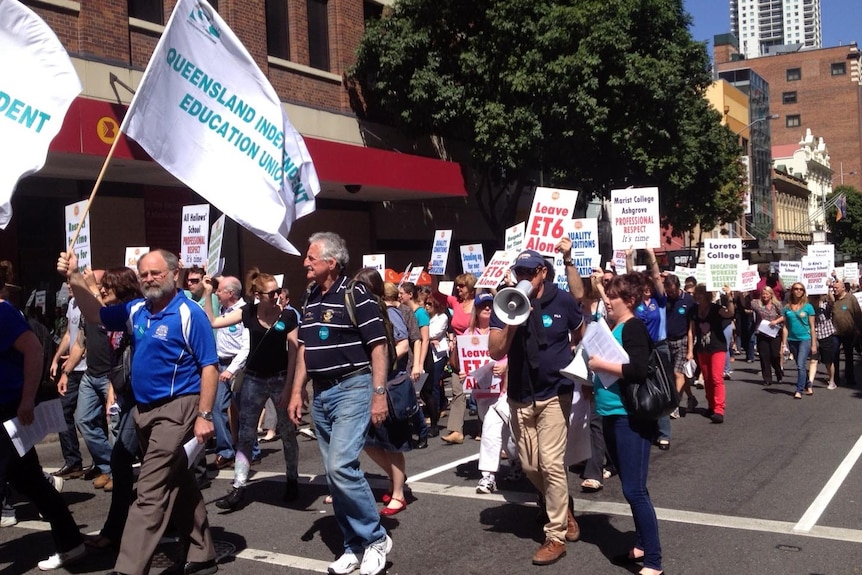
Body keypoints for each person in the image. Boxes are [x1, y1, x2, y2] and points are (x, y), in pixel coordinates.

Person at [58, 249, 219, 575]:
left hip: (178, 410)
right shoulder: (136, 310)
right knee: (179, 481)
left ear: (175, 275)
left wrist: (204, 415)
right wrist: (74, 277)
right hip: (143, 411)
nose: (148, 279)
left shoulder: (190, 314)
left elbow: (210, 366)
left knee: (150, 491)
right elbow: (96, 316)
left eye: (155, 273)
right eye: (143, 274)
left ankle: (129, 568)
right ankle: (203, 555)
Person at [287, 232, 392, 575]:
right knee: (335, 477)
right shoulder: (310, 296)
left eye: (311, 257)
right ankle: (352, 545)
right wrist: (296, 390)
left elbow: (378, 346)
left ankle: (375, 538)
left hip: (353, 387)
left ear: (331, 263)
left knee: (340, 466)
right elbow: (305, 347)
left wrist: (379, 394)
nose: (305, 262)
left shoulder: (356, 293)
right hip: (322, 393)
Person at [489, 250, 584, 566]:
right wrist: (512, 322)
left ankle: (555, 535)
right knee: (530, 466)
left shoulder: (563, 300)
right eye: (520, 271)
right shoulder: (507, 301)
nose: (524, 277)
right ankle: (564, 507)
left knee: (551, 463)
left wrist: (579, 368)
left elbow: (580, 334)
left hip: (555, 392)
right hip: (520, 394)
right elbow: (495, 350)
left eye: (530, 271)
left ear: (543, 271)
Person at [0, 268, 86, 571]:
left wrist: (26, 398)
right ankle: (72, 543)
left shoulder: (4, 314)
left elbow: (34, 352)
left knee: (23, 481)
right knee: (32, 482)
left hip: (8, 411)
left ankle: (71, 543)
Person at [587, 272, 664, 575]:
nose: (607, 302)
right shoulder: (616, 325)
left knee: (635, 490)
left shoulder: (632, 327)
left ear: (629, 300)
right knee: (630, 487)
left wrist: (599, 364)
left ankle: (654, 561)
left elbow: (638, 370)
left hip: (629, 417)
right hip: (610, 415)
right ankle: (642, 545)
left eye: (612, 297)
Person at [209, 270, 299, 510]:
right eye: (272, 293)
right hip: (254, 380)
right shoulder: (247, 312)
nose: (277, 296)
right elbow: (214, 322)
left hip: (280, 378)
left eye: (278, 291)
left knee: (288, 433)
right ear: (258, 295)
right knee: (246, 434)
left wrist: (290, 388)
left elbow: (294, 355)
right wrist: (210, 295)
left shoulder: (288, 316)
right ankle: (239, 486)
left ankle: (292, 479)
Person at [76, 267, 144, 550]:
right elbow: (119, 357)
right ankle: (121, 527)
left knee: (126, 460)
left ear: (123, 287)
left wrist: (79, 281)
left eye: (108, 285)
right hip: (125, 395)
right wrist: (113, 391)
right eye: (102, 286)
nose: (103, 289)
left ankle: (118, 531)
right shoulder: (118, 312)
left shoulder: (134, 312)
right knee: (126, 461)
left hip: (144, 398)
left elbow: (97, 312)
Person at [355, 268, 413, 516]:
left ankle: (398, 494)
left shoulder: (388, 312)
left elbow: (403, 343)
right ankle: (395, 478)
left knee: (391, 442)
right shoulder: (358, 312)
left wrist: (382, 362)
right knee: (367, 441)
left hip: (389, 384)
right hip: (367, 384)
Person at [58, 268, 114, 491]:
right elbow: (80, 343)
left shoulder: (110, 308)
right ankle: (108, 466)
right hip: (91, 375)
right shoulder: (85, 311)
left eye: (94, 282)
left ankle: (117, 471)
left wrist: (90, 287)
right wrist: (66, 372)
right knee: (83, 420)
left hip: (110, 376)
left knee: (117, 427)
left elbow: (107, 323)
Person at [460, 291, 519, 494]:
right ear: (475, 310)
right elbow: (461, 361)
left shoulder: (503, 331)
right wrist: (463, 372)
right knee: (506, 435)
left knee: (490, 432)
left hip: (503, 391)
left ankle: (488, 477)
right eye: (483, 305)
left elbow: (517, 356)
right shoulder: (468, 336)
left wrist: (506, 367)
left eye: (490, 305)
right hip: (482, 394)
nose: (487, 308)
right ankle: (516, 461)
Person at [202, 276, 248, 470]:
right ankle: (226, 452)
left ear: (230, 293)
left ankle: (249, 451)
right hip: (220, 365)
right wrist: (207, 292)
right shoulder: (224, 310)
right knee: (217, 408)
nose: (216, 293)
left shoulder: (245, 311)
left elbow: (247, 346)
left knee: (244, 410)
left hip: (238, 366)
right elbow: (210, 320)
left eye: (219, 290)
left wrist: (231, 369)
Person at [430, 272, 477, 444]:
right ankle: (456, 430)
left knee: (481, 391)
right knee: (458, 390)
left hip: (478, 349)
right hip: (459, 353)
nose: (458, 289)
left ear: (471, 287)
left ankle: (484, 427)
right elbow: (435, 293)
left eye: (462, 286)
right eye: (457, 285)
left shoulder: (480, 303)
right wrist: (433, 274)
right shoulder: (455, 302)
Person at [49, 291, 88, 479]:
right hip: (72, 369)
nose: (68, 286)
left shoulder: (90, 302)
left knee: (90, 418)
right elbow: (68, 335)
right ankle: (73, 462)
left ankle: (105, 463)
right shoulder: (72, 303)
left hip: (89, 369)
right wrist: (56, 359)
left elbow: (90, 335)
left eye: (72, 282)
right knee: (62, 412)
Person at [688, 284, 735, 423]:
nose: (698, 296)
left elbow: (730, 313)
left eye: (701, 293)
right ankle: (711, 406)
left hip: (717, 348)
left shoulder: (715, 309)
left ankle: (719, 409)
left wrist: (729, 297)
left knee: (716, 378)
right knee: (707, 379)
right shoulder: (693, 310)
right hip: (702, 349)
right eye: (697, 293)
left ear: (708, 295)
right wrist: (690, 351)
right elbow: (691, 331)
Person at [663, 273, 698, 416]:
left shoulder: (689, 301)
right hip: (668, 340)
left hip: (683, 339)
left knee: (678, 373)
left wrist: (690, 350)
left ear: (678, 287)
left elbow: (691, 328)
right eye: (668, 291)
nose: (671, 294)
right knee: (675, 375)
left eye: (673, 291)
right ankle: (690, 397)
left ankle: (674, 405)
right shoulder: (664, 300)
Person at [782, 283, 817, 399]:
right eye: (796, 289)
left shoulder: (808, 307)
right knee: (799, 364)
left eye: (801, 289)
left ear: (804, 292)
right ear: (792, 291)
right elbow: (785, 327)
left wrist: (813, 344)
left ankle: (799, 390)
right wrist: (783, 343)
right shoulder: (787, 308)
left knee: (800, 365)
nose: (798, 291)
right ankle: (808, 384)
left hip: (805, 339)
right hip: (792, 340)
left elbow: (812, 327)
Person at [750, 286, 785, 387]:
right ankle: (767, 379)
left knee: (775, 355)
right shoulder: (757, 304)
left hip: (774, 333)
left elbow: (784, 315)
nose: (765, 296)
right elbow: (746, 303)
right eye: (763, 294)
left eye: (767, 294)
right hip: (762, 333)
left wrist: (776, 321)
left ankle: (778, 371)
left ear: (771, 295)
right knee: (764, 356)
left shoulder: (777, 304)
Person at [830, 280, 861, 387]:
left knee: (849, 355)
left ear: (843, 288)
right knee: (834, 355)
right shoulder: (832, 299)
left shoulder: (851, 298)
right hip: (835, 333)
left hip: (849, 332)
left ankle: (850, 378)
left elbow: (858, 313)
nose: (835, 289)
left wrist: (858, 328)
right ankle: (835, 378)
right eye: (833, 288)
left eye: (837, 288)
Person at [810, 292, 838, 390]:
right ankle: (810, 383)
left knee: (828, 361)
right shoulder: (808, 308)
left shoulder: (824, 306)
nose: (813, 299)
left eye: (815, 297)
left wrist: (828, 289)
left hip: (826, 335)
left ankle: (831, 380)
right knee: (813, 360)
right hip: (813, 337)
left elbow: (832, 301)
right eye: (811, 297)